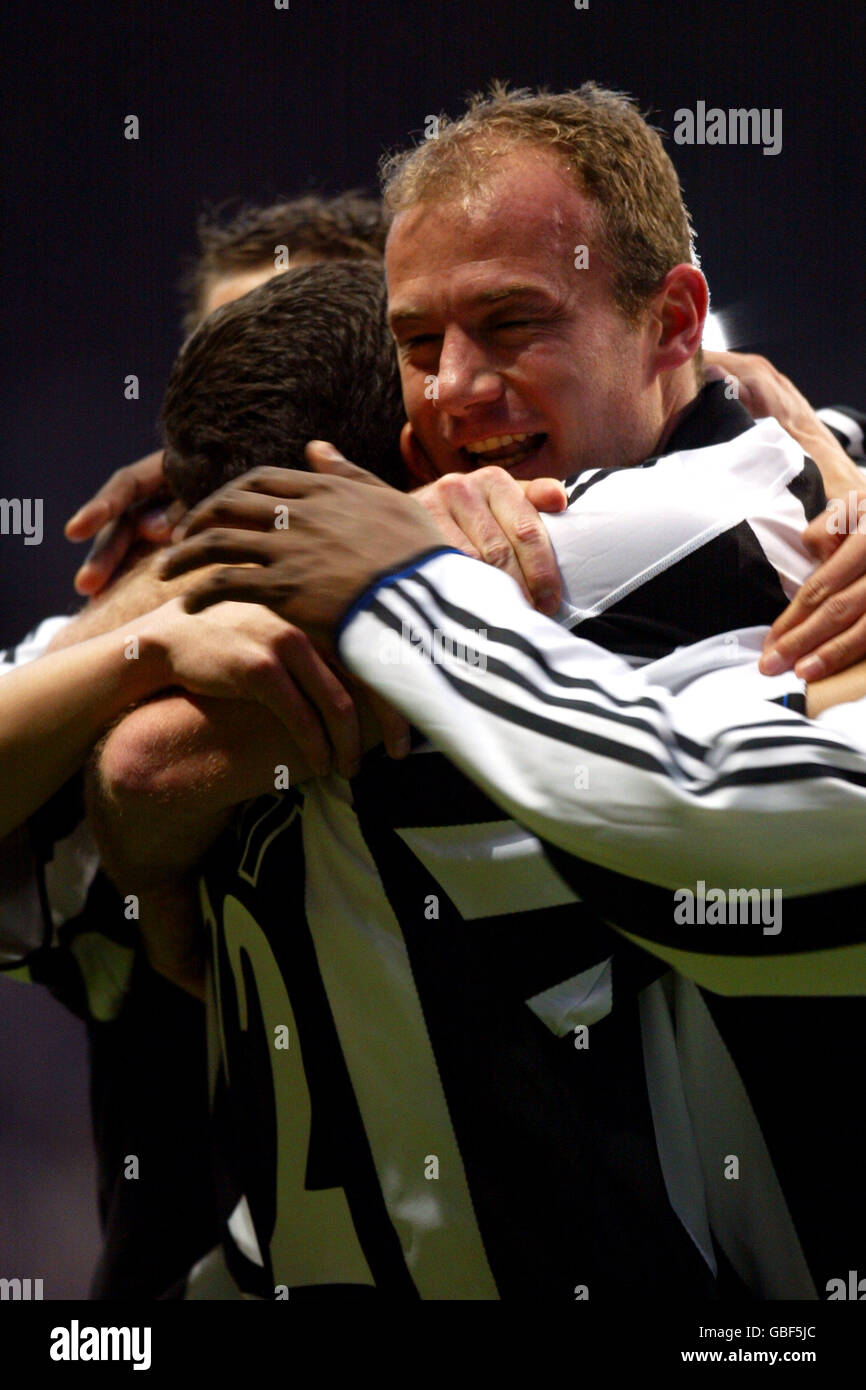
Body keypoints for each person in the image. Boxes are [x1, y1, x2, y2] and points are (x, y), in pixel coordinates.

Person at [94, 236, 866, 1299]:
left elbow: (138, 767)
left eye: (491, 329)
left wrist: (172, 581)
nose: (460, 380)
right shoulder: (602, 572)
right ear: (413, 460)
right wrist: (794, 425)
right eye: (420, 344)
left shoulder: (110, 697)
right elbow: (734, 487)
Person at [0, 192, 401, 1299]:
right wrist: (148, 633)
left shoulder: (524, 586)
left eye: (295, 379)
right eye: (218, 392)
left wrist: (783, 417)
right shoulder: (92, 668)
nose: (250, 427)